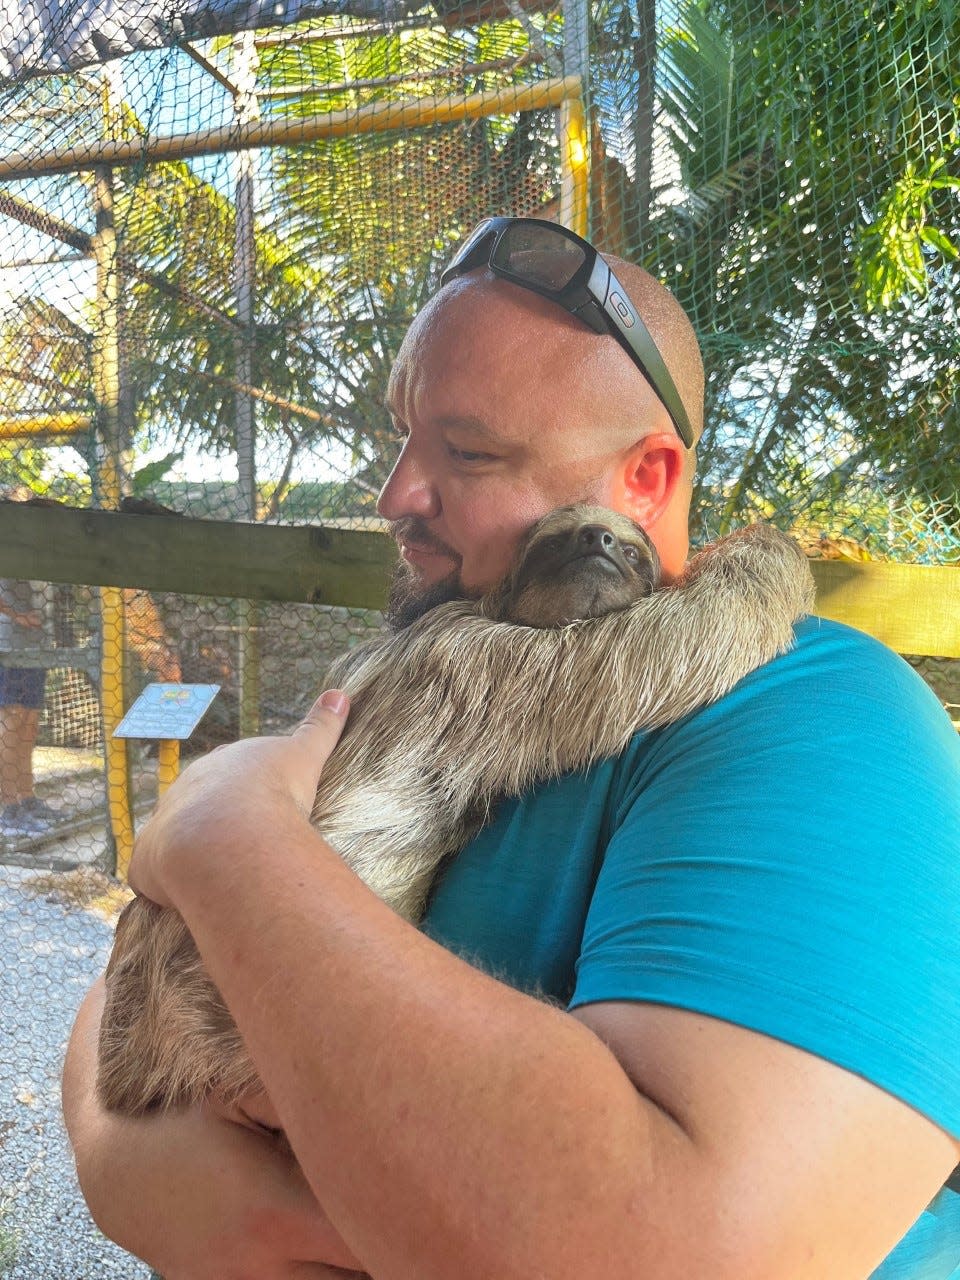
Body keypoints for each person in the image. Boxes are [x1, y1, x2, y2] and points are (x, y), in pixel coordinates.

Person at [62, 218, 960, 1280]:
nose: (395, 494)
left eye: (470, 452)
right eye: (401, 439)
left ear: (648, 476)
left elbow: (671, 1249)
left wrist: (222, 831)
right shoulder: (431, 658)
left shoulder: (815, 714)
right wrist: (161, 1176)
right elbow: (111, 1082)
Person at [0, 576, 55, 837]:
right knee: (11, 723)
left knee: (29, 725)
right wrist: (15, 614)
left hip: (37, 645)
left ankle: (27, 799)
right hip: (8, 646)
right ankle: (8, 808)